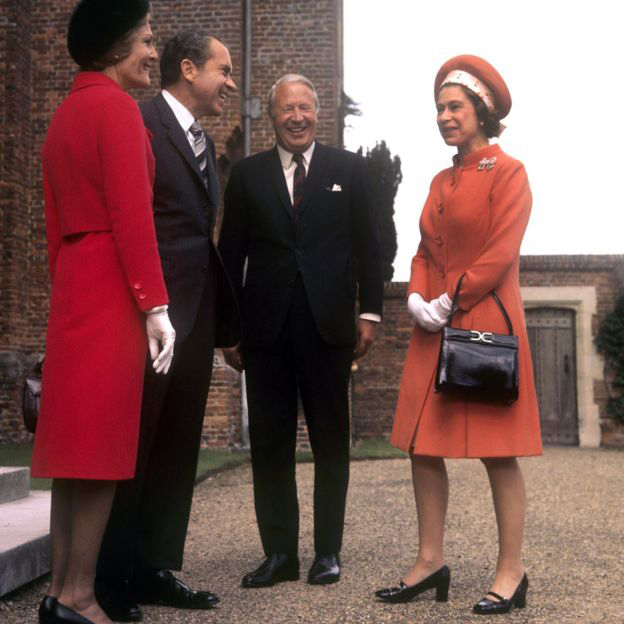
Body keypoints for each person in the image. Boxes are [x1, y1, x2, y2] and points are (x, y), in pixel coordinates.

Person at [375, 55, 542, 615]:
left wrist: (453, 296)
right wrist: (418, 296)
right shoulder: (440, 179)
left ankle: (511, 572)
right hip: (435, 326)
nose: (445, 116)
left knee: (498, 453)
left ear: (482, 111)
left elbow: (500, 251)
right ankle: (428, 562)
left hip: (485, 322)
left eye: (455, 107)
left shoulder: (510, 171)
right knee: (422, 446)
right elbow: (424, 250)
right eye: (439, 108)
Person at [31, 1, 175, 623]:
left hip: (74, 290)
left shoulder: (66, 113)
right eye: (145, 39)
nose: (153, 50)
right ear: (117, 47)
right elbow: (132, 217)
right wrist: (155, 305)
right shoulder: (117, 110)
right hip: (115, 288)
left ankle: (59, 592)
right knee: (101, 452)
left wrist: (73, 288)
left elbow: (54, 225)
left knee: (73, 455)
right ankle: (81, 596)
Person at [95, 30, 240, 622]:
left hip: (197, 311)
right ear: (189, 68)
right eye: (222, 70)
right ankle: (114, 578)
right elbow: (132, 218)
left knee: (179, 439)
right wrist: (149, 306)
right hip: (153, 313)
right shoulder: (140, 122)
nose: (230, 82)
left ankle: (156, 566)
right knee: (140, 436)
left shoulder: (202, 140)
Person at [219, 74, 384, 588]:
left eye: (305, 108)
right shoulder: (247, 175)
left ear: (318, 113)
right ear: (271, 116)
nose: (296, 117)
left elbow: (370, 247)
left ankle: (327, 553)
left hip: (328, 326)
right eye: (286, 109)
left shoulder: (349, 170)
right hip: (264, 332)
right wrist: (228, 330)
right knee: (269, 444)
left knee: (331, 442)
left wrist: (370, 313)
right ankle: (279, 555)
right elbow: (230, 257)